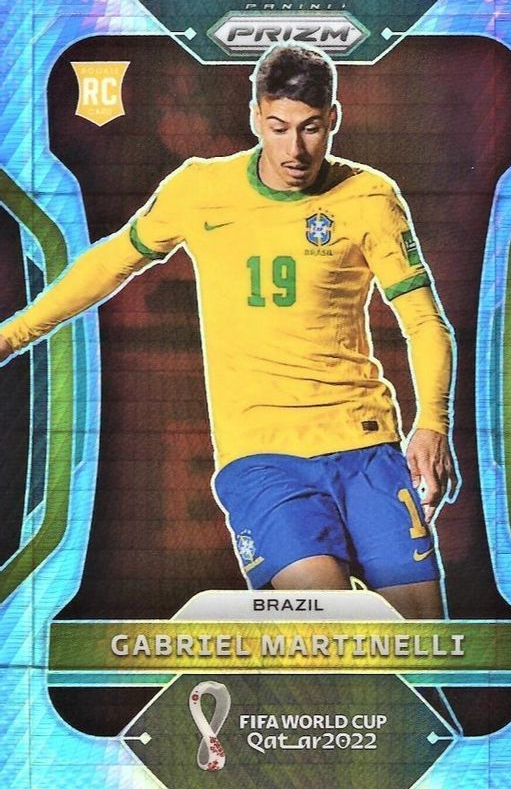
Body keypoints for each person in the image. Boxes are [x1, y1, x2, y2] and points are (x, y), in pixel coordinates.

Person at [0, 45, 458, 618]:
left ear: (334, 119)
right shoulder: (200, 189)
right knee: (331, 627)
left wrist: (433, 424)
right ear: (255, 117)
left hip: (366, 445)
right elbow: (111, 262)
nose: (295, 149)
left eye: (311, 128)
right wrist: (11, 336)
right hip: (262, 455)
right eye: (279, 127)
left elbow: (424, 320)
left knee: (421, 641)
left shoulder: (370, 196)